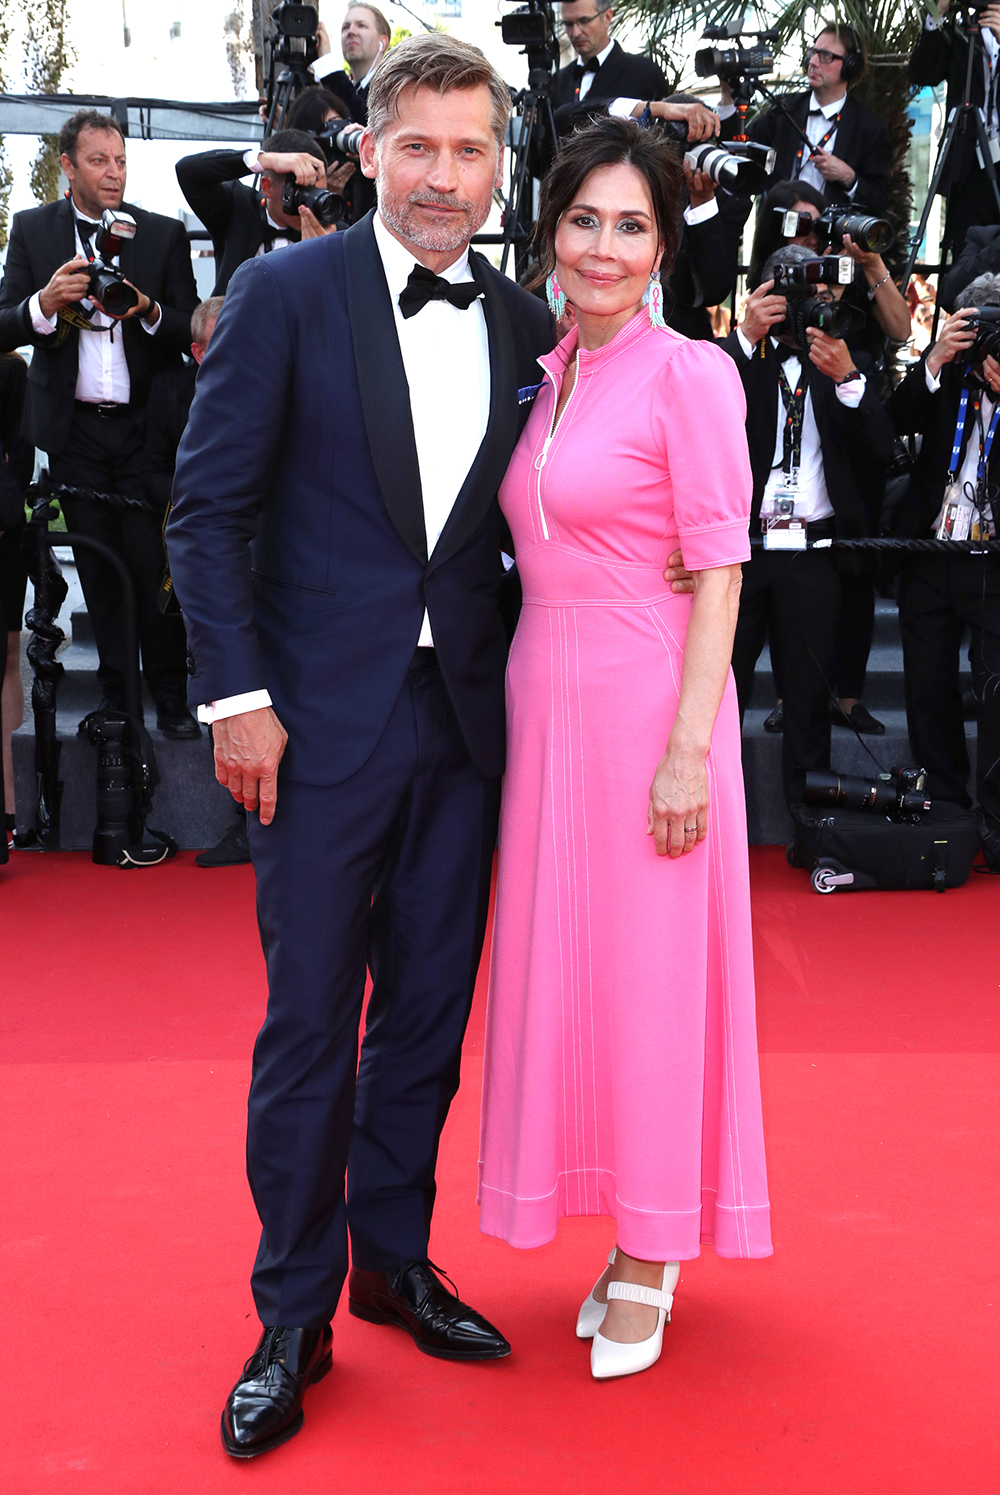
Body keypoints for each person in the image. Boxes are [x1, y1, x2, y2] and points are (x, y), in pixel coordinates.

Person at [167, 34, 558, 1460]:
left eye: (472, 149)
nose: (446, 174)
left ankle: (394, 1257)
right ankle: (292, 1309)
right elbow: (204, 515)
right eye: (421, 146)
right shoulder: (281, 292)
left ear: (497, 166)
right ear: (372, 153)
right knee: (310, 1019)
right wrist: (235, 696)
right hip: (316, 724)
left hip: (466, 727)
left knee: (431, 1014)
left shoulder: (526, 325)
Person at [478, 116, 772, 1384]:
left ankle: (655, 1250)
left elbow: (718, 567)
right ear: (551, 228)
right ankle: (614, 1225)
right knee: (571, 974)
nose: (603, 248)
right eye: (584, 220)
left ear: (663, 247)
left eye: (631, 226)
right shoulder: (548, 374)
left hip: (649, 701)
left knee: (652, 982)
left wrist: (689, 750)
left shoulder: (691, 373)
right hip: (543, 707)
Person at [0, 108, 201, 739]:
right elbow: (5, 321)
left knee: (154, 567)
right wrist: (44, 303)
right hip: (74, 431)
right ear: (68, 167)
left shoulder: (162, 234)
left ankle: (169, 697)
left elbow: (188, 326)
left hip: (147, 429)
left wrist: (143, 308)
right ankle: (118, 699)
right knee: (98, 568)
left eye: (119, 161)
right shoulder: (33, 231)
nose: (113, 174)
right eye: (98, 161)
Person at [719, 244, 895, 805]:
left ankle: (810, 824)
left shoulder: (841, 362)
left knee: (806, 698)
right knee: (720, 692)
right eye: (797, 299)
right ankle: (715, 823)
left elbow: (881, 452)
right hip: (739, 552)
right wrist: (746, 339)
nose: (810, 312)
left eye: (819, 299)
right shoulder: (736, 359)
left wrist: (848, 378)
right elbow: (707, 415)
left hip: (814, 553)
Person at [888, 273, 1000, 867]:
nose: (987, 341)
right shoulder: (948, 369)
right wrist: (935, 357)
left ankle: (996, 819)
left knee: (996, 692)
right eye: (977, 325)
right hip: (933, 552)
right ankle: (948, 811)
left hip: (993, 560)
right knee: (927, 686)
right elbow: (895, 416)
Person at [721, 23, 889, 214]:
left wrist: (848, 177)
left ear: (851, 66)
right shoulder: (784, 108)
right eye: (813, 52)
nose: (813, 62)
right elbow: (734, 149)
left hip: (828, 239)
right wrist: (727, 96)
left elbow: (879, 202)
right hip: (777, 232)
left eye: (826, 56)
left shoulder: (869, 127)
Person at [175, 130, 337, 296]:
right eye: (300, 194)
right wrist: (264, 160)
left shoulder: (333, 233)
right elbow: (187, 172)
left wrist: (322, 258)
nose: (309, 206)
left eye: (317, 194)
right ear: (267, 187)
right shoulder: (238, 209)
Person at [910, 0, 1000, 259]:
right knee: (967, 254)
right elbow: (922, 74)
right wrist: (936, 16)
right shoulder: (960, 33)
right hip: (969, 164)